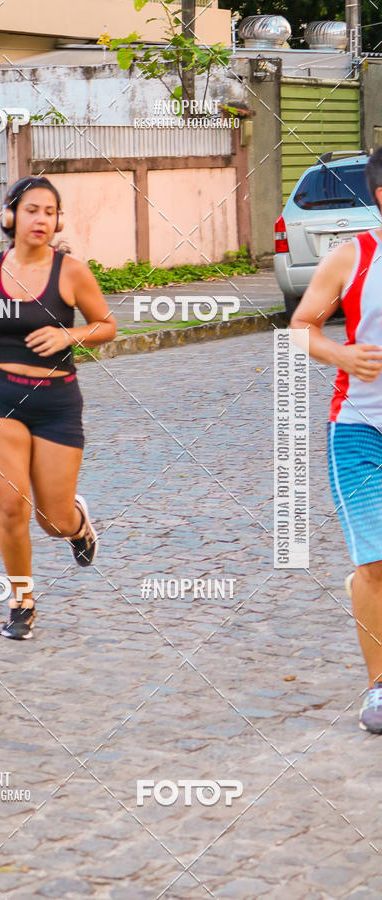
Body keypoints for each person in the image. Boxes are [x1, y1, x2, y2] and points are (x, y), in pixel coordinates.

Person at [0, 176, 116, 640]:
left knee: (51, 519)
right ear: (11, 215)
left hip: (57, 403)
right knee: (11, 508)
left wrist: (67, 335)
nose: (41, 219)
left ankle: (77, 525)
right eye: (32, 209)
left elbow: (106, 325)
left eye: (50, 211)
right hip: (1, 399)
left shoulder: (71, 271)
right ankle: (22, 601)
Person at [291, 147, 382, 733]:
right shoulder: (351, 260)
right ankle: (379, 687)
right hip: (359, 429)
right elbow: (300, 331)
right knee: (376, 565)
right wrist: (340, 352)